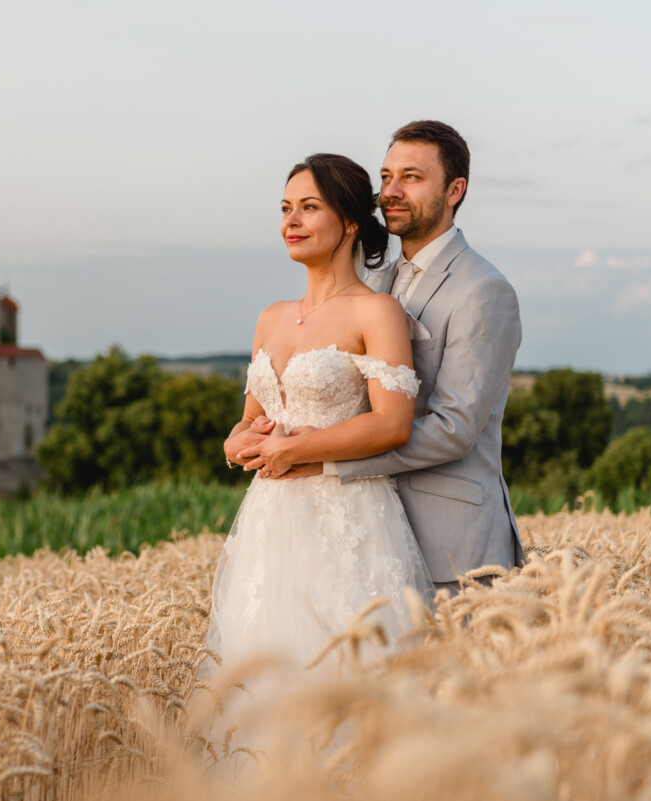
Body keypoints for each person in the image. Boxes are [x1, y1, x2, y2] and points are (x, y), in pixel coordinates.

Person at [237, 121, 525, 595]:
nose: (390, 191)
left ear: (455, 190)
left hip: (451, 542)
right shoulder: (372, 286)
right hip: (364, 534)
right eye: (386, 176)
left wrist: (326, 460)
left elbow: (454, 428)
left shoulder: (483, 291)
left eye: (411, 177)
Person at [205, 153, 434, 690]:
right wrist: (236, 446)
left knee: (346, 678)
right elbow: (249, 424)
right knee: (261, 681)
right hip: (268, 523)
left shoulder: (375, 312)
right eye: (286, 208)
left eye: (309, 208)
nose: (291, 221)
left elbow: (392, 424)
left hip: (346, 518)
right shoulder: (270, 316)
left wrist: (297, 451)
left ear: (350, 222)